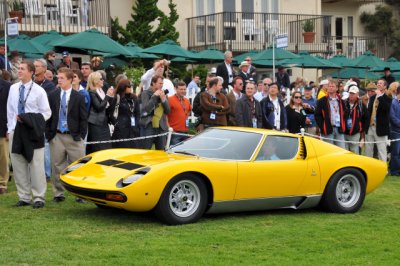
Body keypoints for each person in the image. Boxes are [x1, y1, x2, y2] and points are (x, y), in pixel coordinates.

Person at [7, 61, 52, 208]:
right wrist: (10, 129)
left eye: (22, 69)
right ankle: (24, 197)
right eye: (18, 68)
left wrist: (30, 119)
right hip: (16, 131)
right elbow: (10, 111)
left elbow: (46, 112)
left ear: (31, 72)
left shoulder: (39, 91)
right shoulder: (13, 88)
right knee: (18, 164)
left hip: (33, 132)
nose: (19, 71)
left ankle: (39, 197)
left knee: (36, 165)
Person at [45, 68, 87, 202]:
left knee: (78, 165)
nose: (59, 80)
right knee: (57, 165)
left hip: (73, 136)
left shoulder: (79, 96)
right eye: (59, 77)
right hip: (57, 136)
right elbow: (49, 115)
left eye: (62, 78)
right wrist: (49, 133)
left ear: (70, 80)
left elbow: (83, 118)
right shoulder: (53, 95)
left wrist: (81, 135)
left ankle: (80, 194)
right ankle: (58, 193)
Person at [86, 71, 115, 154]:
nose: (103, 81)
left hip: (104, 123)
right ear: (96, 81)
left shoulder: (101, 91)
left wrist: (111, 97)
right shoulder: (92, 92)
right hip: (96, 124)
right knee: (98, 148)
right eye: (101, 79)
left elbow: (108, 108)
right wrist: (108, 96)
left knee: (107, 147)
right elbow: (99, 107)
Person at [140, 75, 170, 150]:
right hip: (149, 126)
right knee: (146, 151)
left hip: (161, 127)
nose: (162, 85)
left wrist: (163, 100)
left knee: (161, 153)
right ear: (153, 83)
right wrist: (154, 97)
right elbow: (146, 110)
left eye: (162, 83)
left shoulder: (164, 94)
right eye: (160, 83)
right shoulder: (145, 93)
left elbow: (168, 111)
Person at [365, 79, 392, 162]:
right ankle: (368, 166)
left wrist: (380, 96)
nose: (379, 84)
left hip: (380, 128)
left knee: (381, 150)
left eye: (381, 83)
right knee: (368, 149)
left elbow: (386, 109)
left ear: (385, 86)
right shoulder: (372, 97)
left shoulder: (388, 98)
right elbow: (368, 111)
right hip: (370, 126)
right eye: (378, 83)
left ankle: (383, 168)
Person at [315, 80, 347, 148]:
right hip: (328, 129)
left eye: (332, 86)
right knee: (329, 150)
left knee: (341, 150)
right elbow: (317, 115)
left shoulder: (341, 101)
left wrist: (343, 124)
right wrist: (323, 126)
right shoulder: (322, 100)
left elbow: (345, 113)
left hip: (339, 129)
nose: (330, 88)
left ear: (336, 88)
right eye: (329, 86)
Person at [110, 79, 140, 148]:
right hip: (121, 130)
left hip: (133, 129)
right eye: (129, 86)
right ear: (123, 87)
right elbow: (111, 113)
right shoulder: (117, 98)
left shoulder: (134, 98)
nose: (131, 87)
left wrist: (136, 124)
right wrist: (117, 124)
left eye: (131, 86)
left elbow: (137, 113)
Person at [344, 85, 369, 154]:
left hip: (355, 133)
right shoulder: (344, 103)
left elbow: (366, 118)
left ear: (357, 94)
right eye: (350, 93)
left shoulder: (361, 105)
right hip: (343, 132)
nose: (351, 95)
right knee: (344, 152)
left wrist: (362, 129)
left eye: (353, 94)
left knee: (355, 152)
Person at [168, 81, 192, 145]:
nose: (183, 91)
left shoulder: (187, 100)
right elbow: (165, 115)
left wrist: (185, 117)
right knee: (174, 152)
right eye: (181, 89)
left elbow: (189, 110)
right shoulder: (170, 100)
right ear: (175, 89)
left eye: (184, 89)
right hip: (174, 132)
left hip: (185, 132)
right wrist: (168, 127)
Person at [0, 76, 11, 194]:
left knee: (3, 158)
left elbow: (10, 109)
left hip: (2, 127)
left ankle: (2, 183)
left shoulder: (7, 86)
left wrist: (9, 128)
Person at [389, 86, 400, 176]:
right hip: (395, 131)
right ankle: (394, 171)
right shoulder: (393, 102)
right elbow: (392, 117)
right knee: (395, 152)